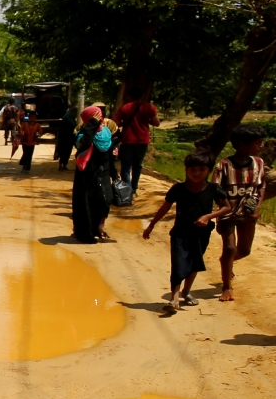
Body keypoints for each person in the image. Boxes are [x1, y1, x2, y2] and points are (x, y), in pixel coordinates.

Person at [143, 152, 231, 313]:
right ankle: (174, 298)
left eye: (201, 170)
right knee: (178, 264)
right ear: (186, 170)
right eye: (192, 170)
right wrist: (151, 225)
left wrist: (208, 216)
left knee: (194, 263)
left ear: (209, 171)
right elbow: (165, 207)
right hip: (179, 233)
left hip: (201, 233)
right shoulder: (178, 189)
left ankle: (186, 291)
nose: (196, 173)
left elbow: (226, 207)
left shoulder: (213, 189)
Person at [213, 124, 267, 302]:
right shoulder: (224, 166)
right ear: (242, 145)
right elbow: (216, 189)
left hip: (248, 215)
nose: (261, 146)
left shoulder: (258, 163)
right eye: (258, 143)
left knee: (244, 251)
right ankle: (226, 285)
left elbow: (262, 185)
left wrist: (257, 207)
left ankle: (226, 264)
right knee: (229, 247)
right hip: (228, 214)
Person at [72, 106, 114, 243]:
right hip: (86, 175)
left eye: (99, 117)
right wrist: (91, 126)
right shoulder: (82, 134)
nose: (99, 120)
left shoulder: (106, 133)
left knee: (105, 200)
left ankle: (98, 228)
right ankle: (85, 233)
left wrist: (113, 171)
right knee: (86, 204)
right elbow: (84, 143)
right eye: (94, 117)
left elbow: (109, 152)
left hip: (103, 173)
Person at [113, 88, 161, 192]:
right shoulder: (149, 107)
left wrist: (123, 123)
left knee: (126, 166)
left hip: (127, 140)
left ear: (129, 96)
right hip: (142, 140)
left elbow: (115, 124)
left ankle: (127, 189)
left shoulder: (124, 108)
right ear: (143, 96)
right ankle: (134, 187)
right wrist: (146, 121)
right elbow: (157, 123)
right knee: (138, 165)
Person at [53, 107, 78, 171]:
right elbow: (64, 129)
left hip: (69, 138)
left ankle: (64, 165)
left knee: (68, 152)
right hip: (64, 138)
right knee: (63, 152)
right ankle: (61, 165)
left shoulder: (71, 119)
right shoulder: (67, 119)